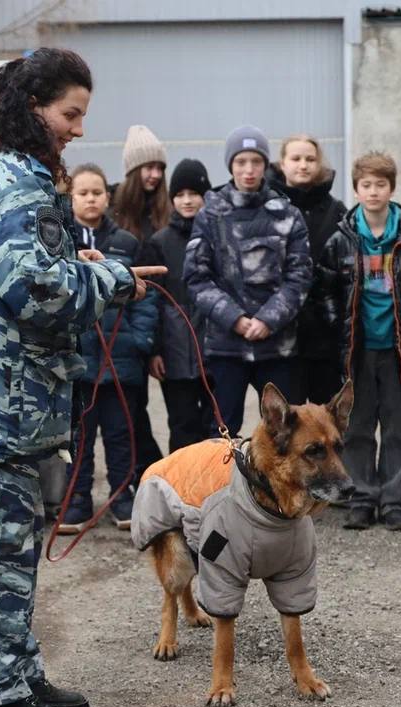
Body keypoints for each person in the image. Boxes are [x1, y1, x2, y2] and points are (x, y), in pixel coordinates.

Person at [0, 49, 161, 707]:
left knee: (13, 543)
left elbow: (22, 269)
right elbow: (34, 293)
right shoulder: (15, 177)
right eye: (70, 114)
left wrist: (69, 261)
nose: (78, 129)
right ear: (33, 109)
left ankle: (17, 671)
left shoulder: (1, 169)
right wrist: (109, 279)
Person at [324, 152, 401, 532]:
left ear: (392, 187)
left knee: (398, 427)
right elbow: (325, 288)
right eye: (366, 185)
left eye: (381, 185)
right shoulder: (342, 238)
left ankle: (394, 500)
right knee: (356, 427)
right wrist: (333, 324)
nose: (373, 192)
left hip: (398, 349)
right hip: (357, 349)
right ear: (356, 189)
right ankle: (361, 497)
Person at [184, 124, 313, 435]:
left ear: (266, 165)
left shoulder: (286, 213)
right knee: (222, 432)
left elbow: (301, 275)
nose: (249, 170)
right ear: (230, 165)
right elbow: (196, 277)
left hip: (277, 345)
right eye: (241, 162)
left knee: (287, 432)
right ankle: (223, 485)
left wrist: (268, 319)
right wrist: (237, 319)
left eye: (256, 161)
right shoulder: (211, 213)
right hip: (226, 345)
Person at [59, 163, 157, 532]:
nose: (90, 199)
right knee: (79, 436)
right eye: (82, 193)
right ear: (70, 199)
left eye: (97, 192)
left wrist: (139, 341)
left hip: (121, 361)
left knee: (120, 433)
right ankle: (77, 499)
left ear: (107, 196)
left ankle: (122, 496)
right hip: (78, 362)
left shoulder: (126, 243)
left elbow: (146, 299)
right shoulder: (62, 243)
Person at [140, 158, 216, 452]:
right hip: (174, 353)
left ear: (204, 196)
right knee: (182, 424)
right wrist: (156, 350)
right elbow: (152, 299)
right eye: (180, 195)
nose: (187, 201)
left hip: (213, 349)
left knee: (216, 423)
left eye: (193, 194)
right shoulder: (159, 242)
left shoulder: (216, 235)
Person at [266, 134, 348, 404]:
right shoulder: (267, 207)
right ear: (282, 163)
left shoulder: (336, 211)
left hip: (324, 334)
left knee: (328, 418)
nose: (303, 165)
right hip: (281, 334)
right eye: (296, 158)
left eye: (310, 159)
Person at [108, 124, 166, 481]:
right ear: (132, 170)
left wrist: (153, 341)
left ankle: (149, 473)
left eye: (160, 168)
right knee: (131, 411)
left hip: (154, 322)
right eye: (148, 167)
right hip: (122, 327)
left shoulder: (165, 213)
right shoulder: (113, 212)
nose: (155, 175)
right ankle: (143, 475)